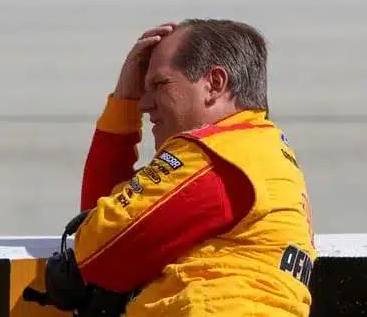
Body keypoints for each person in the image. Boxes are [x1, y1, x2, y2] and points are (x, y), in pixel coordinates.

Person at [70, 19, 316, 315]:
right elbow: (103, 218)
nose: (144, 104)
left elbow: (98, 252)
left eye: (160, 84)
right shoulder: (262, 153)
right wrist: (123, 104)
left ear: (214, 84)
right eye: (140, 92)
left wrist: (122, 105)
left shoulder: (219, 154)